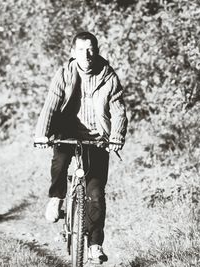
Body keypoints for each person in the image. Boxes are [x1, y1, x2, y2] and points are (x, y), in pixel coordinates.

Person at [34, 31, 127, 263]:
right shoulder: (64, 74)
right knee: (60, 161)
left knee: (96, 194)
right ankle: (56, 197)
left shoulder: (109, 77)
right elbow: (51, 105)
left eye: (91, 49)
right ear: (72, 52)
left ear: (96, 50)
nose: (87, 54)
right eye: (81, 50)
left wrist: (116, 136)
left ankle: (95, 244)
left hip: (97, 138)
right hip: (67, 132)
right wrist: (42, 134)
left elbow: (118, 111)